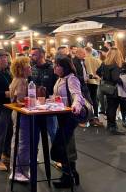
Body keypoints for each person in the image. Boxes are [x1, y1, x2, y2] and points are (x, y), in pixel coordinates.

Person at [51, 55, 84, 188]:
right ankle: (70, 174)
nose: (55, 67)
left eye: (57, 65)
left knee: (62, 145)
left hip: (69, 115)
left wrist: (76, 105)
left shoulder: (71, 79)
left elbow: (77, 95)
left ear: (64, 67)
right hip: (62, 115)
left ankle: (68, 175)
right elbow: (58, 96)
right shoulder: (61, 79)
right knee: (66, 144)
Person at [8, 56, 32, 182]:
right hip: (21, 114)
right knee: (23, 142)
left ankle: (18, 170)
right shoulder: (21, 81)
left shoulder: (17, 79)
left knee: (18, 141)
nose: (30, 68)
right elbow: (20, 100)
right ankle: (19, 171)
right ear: (22, 68)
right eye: (28, 66)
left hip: (16, 114)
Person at [30, 47, 58, 137]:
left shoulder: (52, 69)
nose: (31, 56)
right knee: (35, 133)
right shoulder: (32, 69)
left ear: (42, 54)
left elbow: (56, 86)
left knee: (52, 131)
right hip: (35, 105)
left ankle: (57, 151)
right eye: (31, 54)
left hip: (49, 105)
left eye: (34, 54)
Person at [96, 48, 125, 135]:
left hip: (105, 87)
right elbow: (115, 78)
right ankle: (113, 127)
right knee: (113, 107)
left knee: (109, 106)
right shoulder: (115, 65)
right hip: (113, 88)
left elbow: (97, 72)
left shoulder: (104, 63)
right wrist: (123, 82)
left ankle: (110, 125)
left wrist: (104, 78)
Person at [84, 47, 103, 126]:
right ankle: (95, 115)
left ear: (85, 51)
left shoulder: (83, 60)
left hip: (87, 81)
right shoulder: (97, 60)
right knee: (94, 99)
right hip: (95, 81)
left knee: (87, 100)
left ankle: (88, 116)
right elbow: (102, 69)